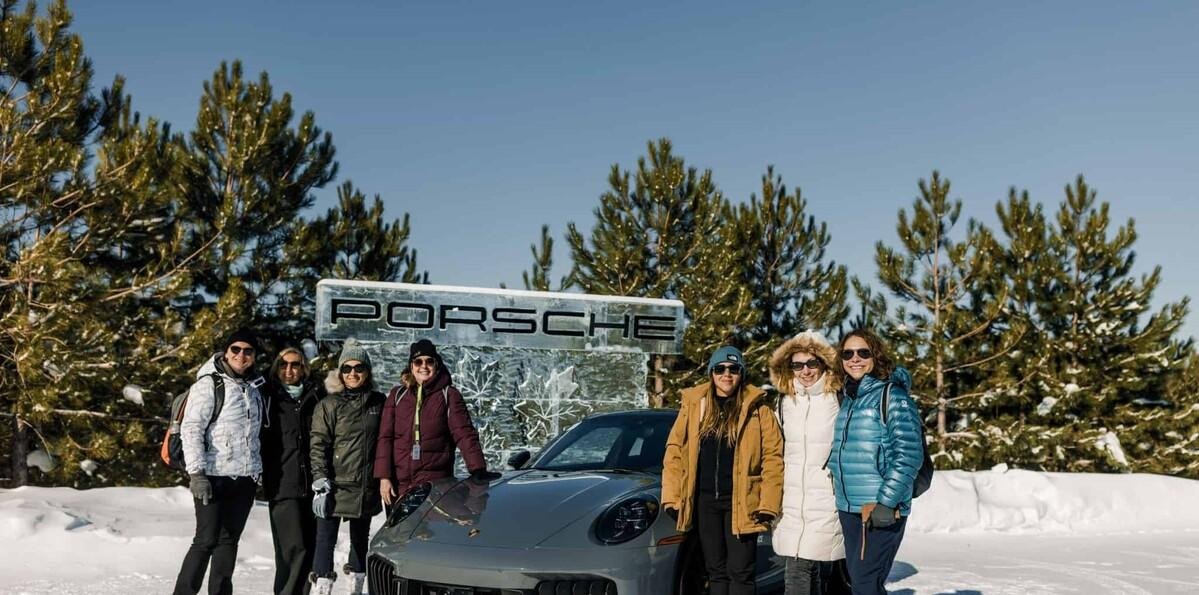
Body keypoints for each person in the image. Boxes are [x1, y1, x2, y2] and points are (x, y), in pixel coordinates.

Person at [661, 345, 784, 595]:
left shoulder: (759, 410)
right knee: (715, 571)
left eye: (733, 369)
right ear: (711, 373)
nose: (726, 374)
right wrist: (673, 498)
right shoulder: (695, 407)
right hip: (705, 503)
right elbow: (675, 452)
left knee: (741, 572)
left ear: (741, 373)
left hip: (742, 503)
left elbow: (773, 458)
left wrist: (768, 504)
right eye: (720, 369)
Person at [828, 329, 923, 595]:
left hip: (878, 507)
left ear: (875, 356)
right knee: (862, 583)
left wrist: (887, 501)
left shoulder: (893, 396)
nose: (855, 359)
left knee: (865, 583)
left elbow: (908, 454)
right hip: (850, 506)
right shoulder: (850, 398)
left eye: (863, 352)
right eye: (848, 353)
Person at [173, 328, 266, 595]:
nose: (241, 355)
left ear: (254, 356)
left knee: (229, 542)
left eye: (248, 351)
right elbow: (192, 430)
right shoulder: (209, 384)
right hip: (212, 477)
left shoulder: (254, 388)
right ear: (226, 352)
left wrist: (256, 473)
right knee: (205, 540)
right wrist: (197, 474)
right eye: (235, 349)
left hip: (244, 478)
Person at [768, 331, 850, 595]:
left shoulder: (838, 399)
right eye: (797, 365)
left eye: (812, 363)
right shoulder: (783, 402)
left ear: (823, 364)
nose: (805, 371)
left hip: (825, 498)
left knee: (802, 568)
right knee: (802, 565)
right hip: (791, 500)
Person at [374, 339, 495, 510]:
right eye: (418, 361)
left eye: (429, 361)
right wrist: (384, 477)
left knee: (431, 534)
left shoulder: (449, 395)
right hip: (399, 486)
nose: (424, 366)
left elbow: (464, 433)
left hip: (434, 487)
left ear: (436, 365)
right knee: (399, 536)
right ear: (411, 366)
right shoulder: (397, 395)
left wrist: (478, 469)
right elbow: (385, 437)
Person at [309, 341, 386, 595]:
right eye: (347, 368)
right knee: (325, 541)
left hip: (365, 485)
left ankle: (356, 586)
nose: (353, 373)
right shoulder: (329, 405)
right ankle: (322, 587)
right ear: (340, 373)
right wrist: (320, 480)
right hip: (334, 485)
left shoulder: (379, 403)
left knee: (360, 540)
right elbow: (318, 443)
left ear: (368, 371)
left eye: (359, 367)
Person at [260, 347, 324, 595]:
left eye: (295, 365)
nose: (289, 370)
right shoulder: (268, 397)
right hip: (283, 484)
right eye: (284, 365)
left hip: (312, 484)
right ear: (277, 367)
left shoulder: (314, 396)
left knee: (310, 548)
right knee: (291, 549)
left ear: (303, 368)